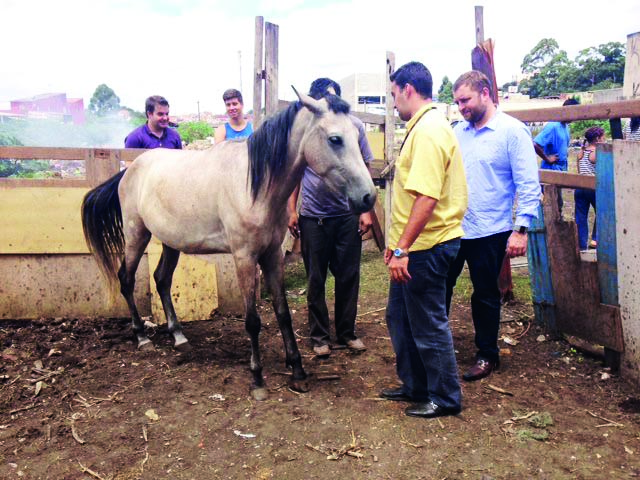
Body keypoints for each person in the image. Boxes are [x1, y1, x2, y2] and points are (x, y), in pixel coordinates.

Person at [380, 61, 467, 419]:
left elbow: (427, 199)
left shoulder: (430, 130)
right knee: (399, 317)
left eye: (393, 95)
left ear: (408, 90)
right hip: (414, 246)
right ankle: (415, 385)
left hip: (426, 248)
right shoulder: (422, 127)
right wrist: (397, 244)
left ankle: (445, 397)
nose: (393, 103)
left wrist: (402, 248)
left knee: (429, 322)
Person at [446, 70, 541, 382]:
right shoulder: (457, 132)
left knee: (485, 293)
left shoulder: (512, 132)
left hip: (490, 229)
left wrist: (521, 229)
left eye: (466, 100)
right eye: (457, 101)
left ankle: (487, 354)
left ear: (485, 93)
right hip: (453, 226)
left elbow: (529, 184)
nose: (461, 107)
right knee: (440, 286)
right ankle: (437, 348)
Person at [287, 78, 374, 357]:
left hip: (347, 215)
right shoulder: (311, 131)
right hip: (314, 217)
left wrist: (367, 212)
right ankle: (319, 336)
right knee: (315, 279)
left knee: (349, 276)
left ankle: (347, 332)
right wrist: (292, 209)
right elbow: (296, 172)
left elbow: (364, 167)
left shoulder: (354, 126)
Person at [575, 126, 604, 250]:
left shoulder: (581, 152)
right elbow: (601, 171)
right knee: (602, 211)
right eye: (603, 137)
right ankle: (595, 240)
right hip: (592, 187)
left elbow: (579, 170)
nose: (605, 139)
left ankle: (581, 246)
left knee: (581, 217)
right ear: (597, 138)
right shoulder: (596, 152)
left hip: (580, 187)